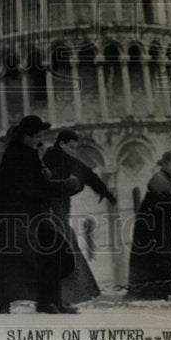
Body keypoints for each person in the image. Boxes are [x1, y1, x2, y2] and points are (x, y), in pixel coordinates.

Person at [0, 115, 79, 314]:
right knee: (52, 254)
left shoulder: (23, 153)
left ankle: (45, 301)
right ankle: (46, 301)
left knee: (42, 256)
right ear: (27, 135)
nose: (40, 139)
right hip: (24, 220)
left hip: (26, 219)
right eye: (38, 135)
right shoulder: (21, 155)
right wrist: (64, 186)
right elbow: (34, 187)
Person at [42, 129, 117, 306]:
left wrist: (103, 191)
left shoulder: (58, 158)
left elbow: (87, 175)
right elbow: (87, 175)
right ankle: (74, 293)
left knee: (67, 245)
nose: (74, 152)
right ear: (62, 144)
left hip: (58, 211)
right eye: (72, 147)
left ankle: (76, 292)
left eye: (76, 148)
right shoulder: (54, 159)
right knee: (65, 246)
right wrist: (103, 192)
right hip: (52, 211)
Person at [126, 150, 171, 300]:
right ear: (164, 163)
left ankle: (158, 291)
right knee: (161, 255)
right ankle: (155, 292)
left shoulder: (163, 178)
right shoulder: (159, 180)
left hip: (157, 223)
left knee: (167, 253)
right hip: (150, 226)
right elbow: (161, 205)